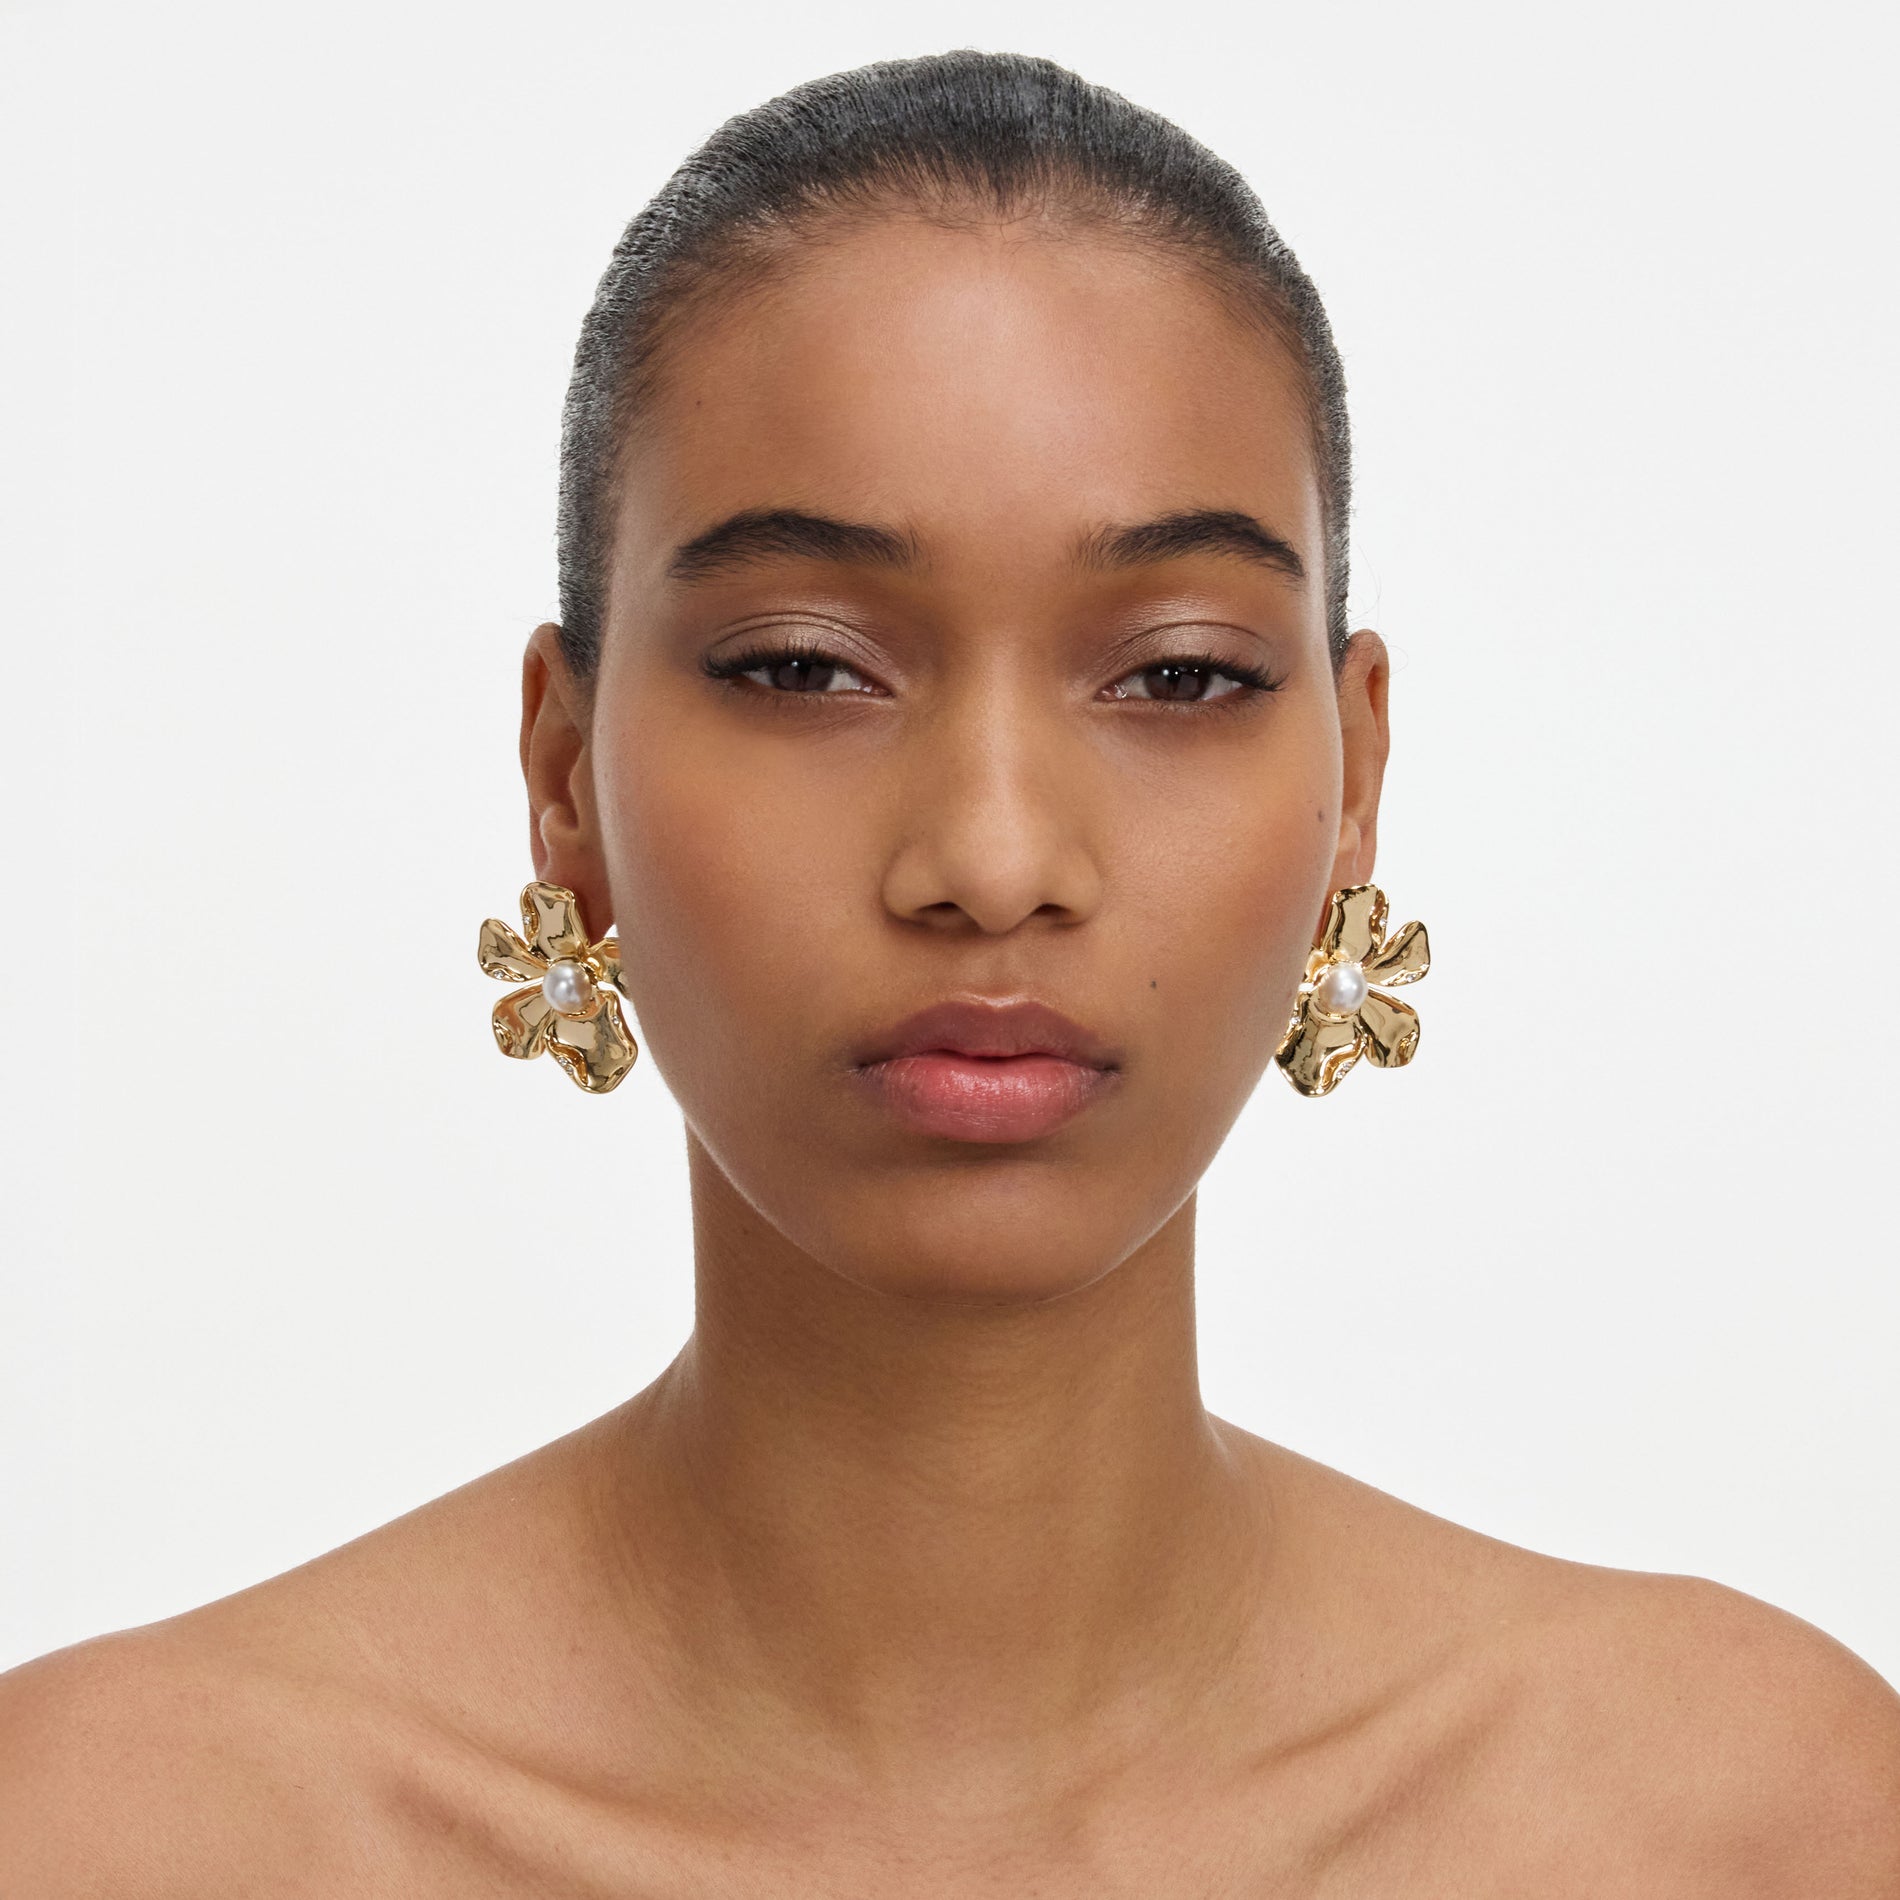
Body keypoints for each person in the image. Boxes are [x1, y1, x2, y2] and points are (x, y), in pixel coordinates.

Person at [4, 49, 1896, 1895]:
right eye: (806, 666)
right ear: (564, 777)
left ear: (1356, 782)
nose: (993, 859)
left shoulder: (1750, 1823)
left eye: (1179, 674)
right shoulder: (112, 1838)